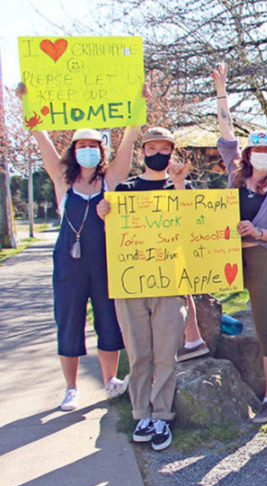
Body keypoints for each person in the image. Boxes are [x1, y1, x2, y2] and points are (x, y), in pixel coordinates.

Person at [17, 83, 139, 411]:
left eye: (93, 145)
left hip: (104, 263)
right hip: (69, 263)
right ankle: (71, 389)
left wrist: (137, 108)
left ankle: (111, 380)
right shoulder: (62, 179)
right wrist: (28, 100)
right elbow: (40, 136)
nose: (88, 149)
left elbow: (128, 141)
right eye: (81, 145)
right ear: (73, 150)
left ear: (101, 150)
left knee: (108, 320)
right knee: (68, 320)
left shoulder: (110, 178)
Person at [96, 127, 190, 451]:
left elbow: (192, 226)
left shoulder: (182, 186)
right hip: (131, 282)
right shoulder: (124, 189)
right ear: (143, 152)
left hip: (169, 282)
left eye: (165, 147)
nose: (158, 153)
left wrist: (178, 184)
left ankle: (162, 415)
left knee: (166, 352)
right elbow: (114, 232)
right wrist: (104, 213)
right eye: (152, 148)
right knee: (138, 353)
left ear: (172, 151)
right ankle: (141, 413)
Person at [213, 62, 267, 423]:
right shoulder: (234, 175)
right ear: (247, 156)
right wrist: (222, 92)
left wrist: (258, 232)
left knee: (266, 328)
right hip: (224, 256)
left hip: (264, 259)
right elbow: (226, 135)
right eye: (255, 151)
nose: (261, 156)